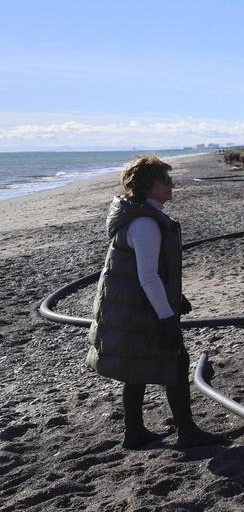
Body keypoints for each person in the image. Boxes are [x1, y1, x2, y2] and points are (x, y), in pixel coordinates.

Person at [86, 156, 222, 449]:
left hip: (130, 304)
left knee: (137, 367)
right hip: (139, 307)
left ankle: (134, 433)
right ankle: (186, 432)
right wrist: (166, 317)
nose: (172, 185)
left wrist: (176, 296)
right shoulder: (146, 223)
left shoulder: (138, 215)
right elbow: (148, 277)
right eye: (166, 181)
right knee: (176, 361)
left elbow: (151, 270)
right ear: (148, 185)